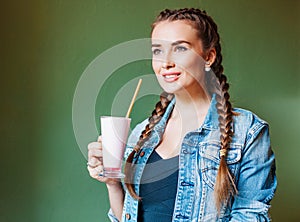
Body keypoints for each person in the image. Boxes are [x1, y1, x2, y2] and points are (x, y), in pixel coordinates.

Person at [87, 8, 277, 222]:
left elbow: (251, 216)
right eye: (157, 51)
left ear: (209, 57)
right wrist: (112, 182)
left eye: (180, 49)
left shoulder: (247, 132)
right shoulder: (142, 133)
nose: (165, 62)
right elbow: (126, 217)